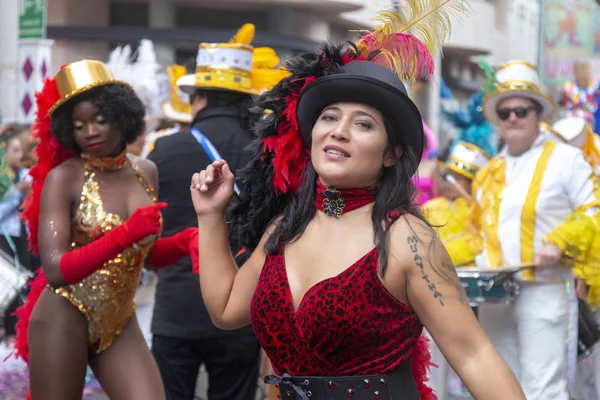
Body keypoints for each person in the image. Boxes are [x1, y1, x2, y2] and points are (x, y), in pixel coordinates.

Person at [190, 4, 525, 400]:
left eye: (363, 124)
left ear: (390, 153)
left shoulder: (406, 239)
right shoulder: (283, 229)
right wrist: (211, 216)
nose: (339, 132)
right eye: (329, 117)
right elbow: (227, 309)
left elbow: (473, 354)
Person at [13, 60, 198, 400]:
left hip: (119, 319)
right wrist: (124, 233)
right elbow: (55, 271)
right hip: (63, 316)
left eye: (100, 120)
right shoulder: (64, 177)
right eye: (79, 124)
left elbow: (147, 256)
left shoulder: (146, 170)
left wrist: (186, 241)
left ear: (122, 116)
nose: (90, 132)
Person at [149, 23, 287, 400]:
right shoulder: (268, 153)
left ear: (200, 99)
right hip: (242, 307)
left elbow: (148, 234)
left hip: (175, 310)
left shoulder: (163, 150)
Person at [472, 60, 600, 400]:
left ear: (538, 113)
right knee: (499, 385)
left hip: (544, 289)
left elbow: (594, 209)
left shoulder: (565, 159)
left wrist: (561, 242)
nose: (512, 118)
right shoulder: (490, 170)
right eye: (505, 112)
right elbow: (475, 227)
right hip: (495, 292)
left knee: (543, 389)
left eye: (521, 110)